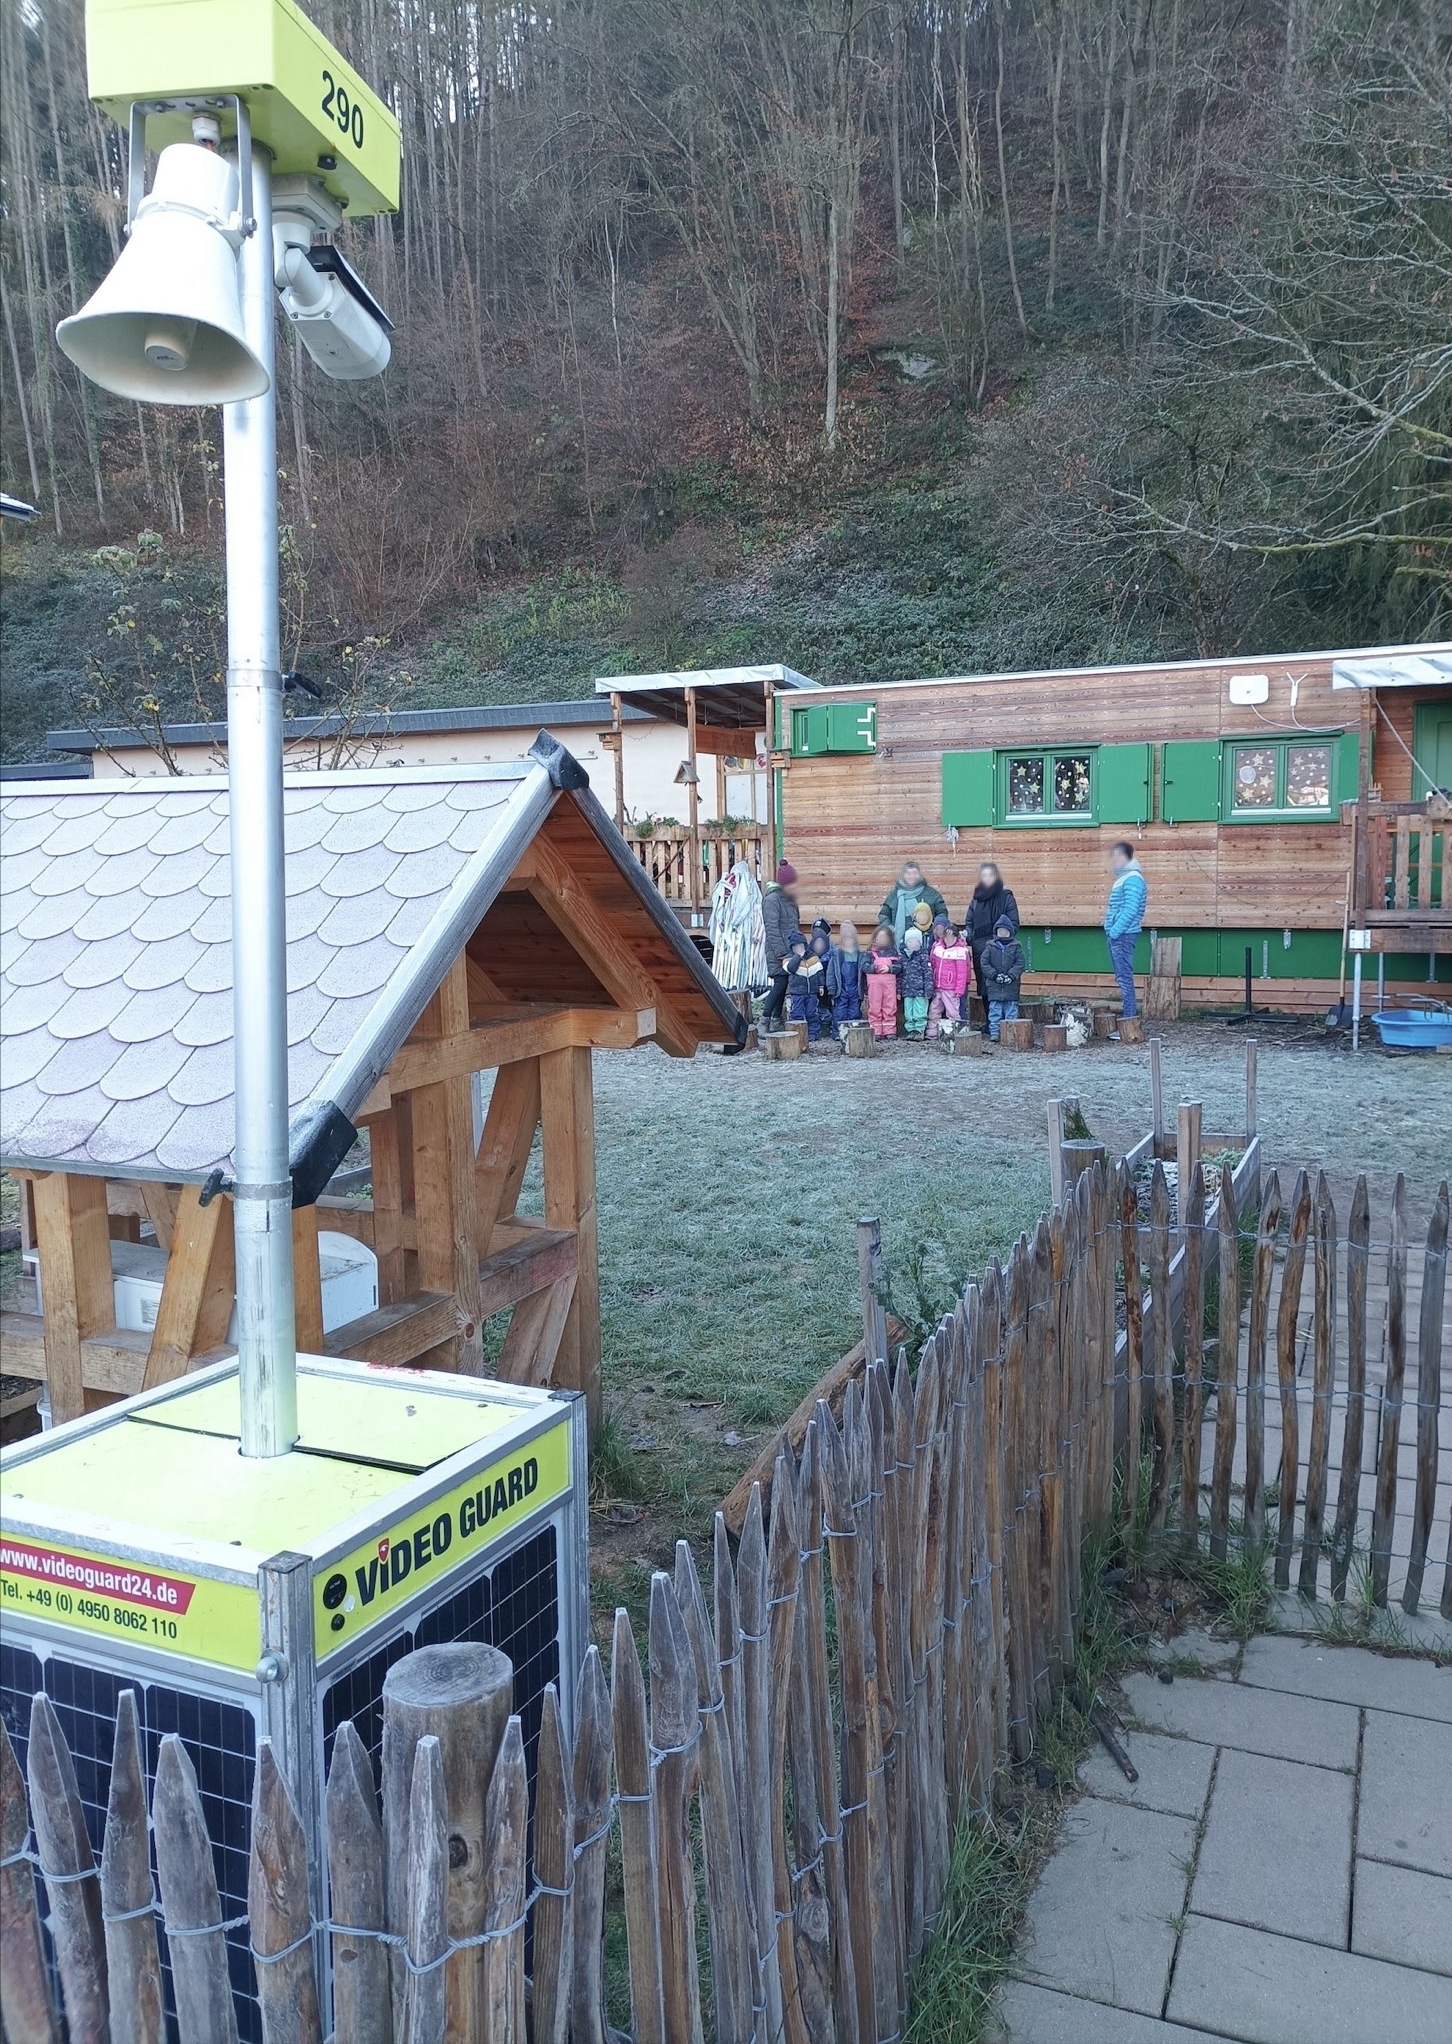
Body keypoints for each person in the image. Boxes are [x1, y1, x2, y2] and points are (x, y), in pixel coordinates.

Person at [962, 862, 1020, 1033]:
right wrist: (971, 937)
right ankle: (991, 1023)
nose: (987, 878)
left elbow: (1014, 922)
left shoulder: (1006, 896)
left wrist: (1003, 939)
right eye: (984, 875)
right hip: (981, 948)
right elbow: (969, 922)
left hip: (1003, 947)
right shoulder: (976, 898)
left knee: (1005, 984)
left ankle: (1007, 1023)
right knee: (986, 985)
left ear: (996, 877)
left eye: (990, 875)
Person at [1104, 841, 1147, 1018]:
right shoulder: (1124, 878)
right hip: (1118, 934)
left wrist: (1114, 932)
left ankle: (1129, 1022)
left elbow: (1131, 909)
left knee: (1124, 980)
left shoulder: (1133, 878)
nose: (1113, 860)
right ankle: (1128, 1022)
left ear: (1123, 857)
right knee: (1122, 978)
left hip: (1123, 935)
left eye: (1116, 856)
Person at [761, 861, 803, 1032]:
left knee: (784, 984)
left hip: (790, 951)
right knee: (779, 983)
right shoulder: (772, 900)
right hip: (778, 951)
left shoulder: (791, 902)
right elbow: (771, 928)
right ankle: (764, 1020)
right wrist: (781, 953)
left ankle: (777, 1019)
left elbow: (795, 926)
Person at [879, 860, 949, 946]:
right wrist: (889, 928)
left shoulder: (931, 894)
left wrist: (939, 924)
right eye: (908, 873)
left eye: (915, 873)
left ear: (919, 875)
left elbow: (941, 911)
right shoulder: (894, 896)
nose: (912, 876)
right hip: (899, 940)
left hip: (926, 940)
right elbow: (884, 914)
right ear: (903, 875)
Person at [981, 914, 1026, 1042]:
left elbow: (1020, 963)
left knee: (1011, 1010)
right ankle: (994, 1032)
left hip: (1011, 986)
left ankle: (1010, 1032)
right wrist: (994, 975)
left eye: (1005, 931)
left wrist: (1011, 976)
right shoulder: (990, 946)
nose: (1002, 933)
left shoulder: (1016, 947)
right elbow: (984, 963)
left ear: (1010, 932)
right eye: (1000, 931)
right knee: (994, 1011)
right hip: (994, 985)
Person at [927, 920, 970, 1036]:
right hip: (938, 986)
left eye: (951, 937)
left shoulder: (960, 951)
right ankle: (932, 1031)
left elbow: (962, 973)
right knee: (934, 1010)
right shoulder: (938, 949)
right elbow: (933, 965)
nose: (948, 940)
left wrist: (959, 990)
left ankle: (955, 1031)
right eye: (946, 937)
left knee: (952, 1011)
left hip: (951, 988)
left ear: (956, 938)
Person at [785, 934, 828, 1040]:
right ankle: (796, 1035)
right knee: (797, 1014)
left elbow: (820, 972)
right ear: (792, 948)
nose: (798, 948)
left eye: (800, 945)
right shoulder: (789, 958)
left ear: (805, 945)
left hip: (812, 992)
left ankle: (813, 1034)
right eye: (795, 947)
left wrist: (821, 986)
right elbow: (791, 968)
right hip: (797, 992)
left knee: (812, 1013)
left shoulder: (813, 957)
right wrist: (798, 956)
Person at [865, 926, 902, 1039]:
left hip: (889, 986)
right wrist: (877, 968)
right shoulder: (869, 953)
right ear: (875, 938)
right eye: (880, 937)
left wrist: (889, 969)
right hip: (874, 987)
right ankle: (875, 1031)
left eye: (885, 937)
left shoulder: (894, 953)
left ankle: (889, 1031)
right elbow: (864, 967)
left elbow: (899, 967)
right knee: (875, 1007)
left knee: (890, 1006)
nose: (882, 940)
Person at [900, 926, 934, 1039]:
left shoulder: (923, 957)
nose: (912, 944)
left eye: (915, 941)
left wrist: (928, 990)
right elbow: (900, 975)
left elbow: (928, 974)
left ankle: (919, 1030)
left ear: (919, 943)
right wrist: (899, 990)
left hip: (920, 991)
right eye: (909, 941)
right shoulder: (903, 958)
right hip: (907, 990)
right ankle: (911, 1030)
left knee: (920, 1011)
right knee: (908, 1012)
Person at [832, 921, 865, 1032]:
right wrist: (832, 988)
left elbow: (863, 974)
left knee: (854, 1011)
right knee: (840, 1011)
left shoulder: (860, 955)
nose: (848, 941)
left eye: (850, 939)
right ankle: (838, 1032)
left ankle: (853, 1031)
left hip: (855, 988)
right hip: (842, 988)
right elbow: (831, 973)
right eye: (846, 939)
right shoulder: (837, 955)